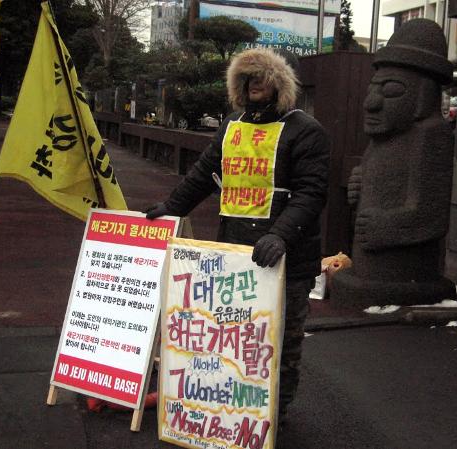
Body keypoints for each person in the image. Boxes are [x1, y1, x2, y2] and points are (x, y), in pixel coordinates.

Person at [145, 47, 330, 424]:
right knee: (234, 336)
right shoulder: (232, 125)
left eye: (262, 76)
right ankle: (233, 415)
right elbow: (203, 173)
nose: (254, 84)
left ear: (281, 82)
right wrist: (172, 206)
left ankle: (273, 415)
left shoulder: (306, 131)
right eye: (246, 78)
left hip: (286, 259)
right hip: (234, 255)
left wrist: (280, 235)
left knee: (281, 340)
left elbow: (311, 193)